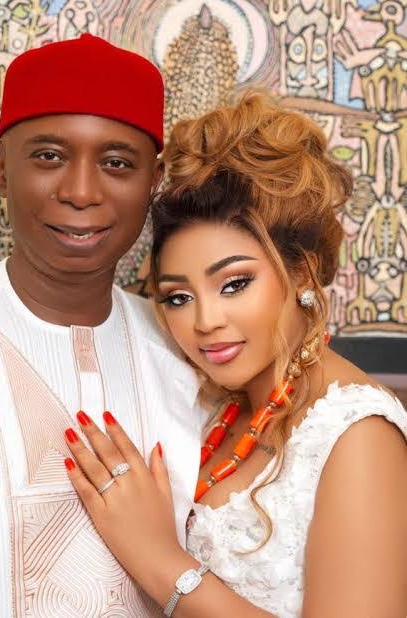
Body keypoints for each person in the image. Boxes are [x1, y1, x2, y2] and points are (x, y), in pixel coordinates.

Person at [62, 90, 407, 617]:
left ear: (302, 271)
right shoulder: (213, 406)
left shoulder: (358, 437)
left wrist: (158, 559)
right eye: (178, 297)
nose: (204, 322)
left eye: (234, 284)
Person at [0, 35, 205, 617]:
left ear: (154, 180)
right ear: (1, 167)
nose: (80, 192)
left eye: (117, 163)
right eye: (48, 156)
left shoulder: (178, 350)